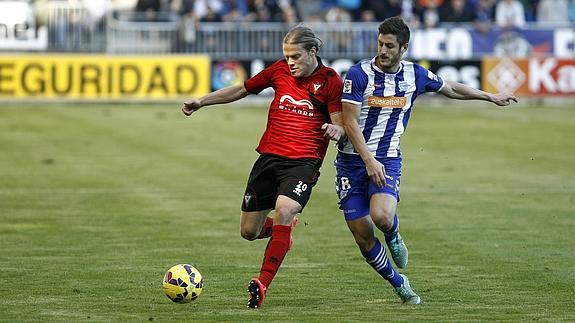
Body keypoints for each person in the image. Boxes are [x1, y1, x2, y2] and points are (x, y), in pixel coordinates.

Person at [335, 16, 517, 305]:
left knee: (382, 216)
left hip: (387, 157)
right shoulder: (358, 75)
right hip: (351, 161)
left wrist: (489, 96)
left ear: (403, 48)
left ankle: (394, 234)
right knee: (361, 234)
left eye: (390, 46)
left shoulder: (414, 75)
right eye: (380, 44)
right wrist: (367, 159)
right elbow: (351, 122)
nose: (383, 51)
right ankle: (399, 283)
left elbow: (452, 88)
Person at [181, 24, 345, 309]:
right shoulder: (278, 71)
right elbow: (242, 89)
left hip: (303, 162)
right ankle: (284, 233)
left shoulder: (330, 81)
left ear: (313, 51)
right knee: (249, 232)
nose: (290, 62)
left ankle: (263, 282)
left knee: (285, 208)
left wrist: (336, 130)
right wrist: (202, 101)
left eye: (295, 56)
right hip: (269, 158)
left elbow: (341, 124)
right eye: (287, 56)